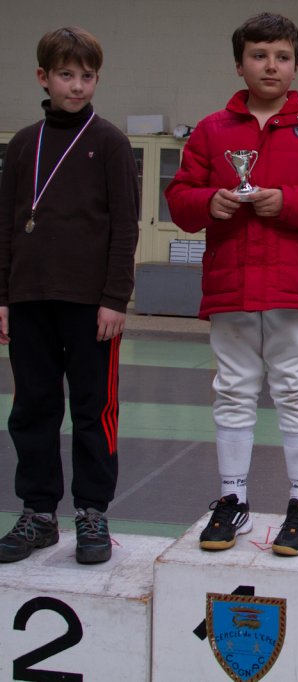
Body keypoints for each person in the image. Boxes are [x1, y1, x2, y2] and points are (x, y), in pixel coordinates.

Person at [164, 13, 298, 557]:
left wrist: (288, 202)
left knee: (296, 389)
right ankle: (232, 499)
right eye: (259, 55)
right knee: (233, 389)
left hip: (292, 286)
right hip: (231, 284)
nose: (270, 66)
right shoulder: (212, 130)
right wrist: (209, 201)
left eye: (281, 57)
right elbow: (179, 199)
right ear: (240, 64)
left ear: (296, 66)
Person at [0, 27, 139, 565]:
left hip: (91, 305)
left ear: (97, 80)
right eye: (65, 75)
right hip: (29, 298)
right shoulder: (22, 145)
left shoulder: (110, 143)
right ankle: (38, 514)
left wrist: (116, 298)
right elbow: (6, 225)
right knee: (32, 408)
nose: (76, 86)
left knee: (93, 409)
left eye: (86, 76)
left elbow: (125, 227)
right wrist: (3, 296)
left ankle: (92, 512)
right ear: (43, 77)